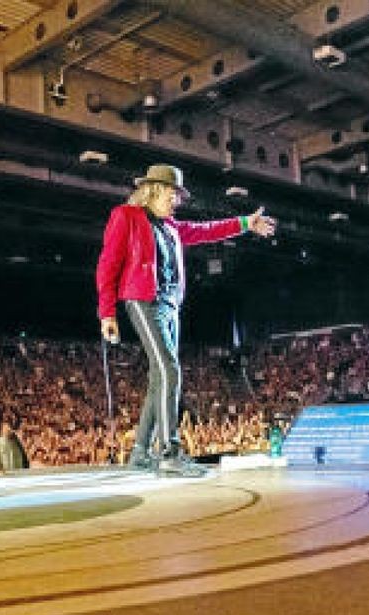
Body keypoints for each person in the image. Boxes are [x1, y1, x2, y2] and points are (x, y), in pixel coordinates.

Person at [96, 164, 275, 476]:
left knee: (159, 377)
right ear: (152, 190)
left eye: (177, 194)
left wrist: (246, 222)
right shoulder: (125, 216)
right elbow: (108, 264)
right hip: (141, 299)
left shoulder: (172, 227)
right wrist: (107, 312)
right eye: (171, 193)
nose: (176, 200)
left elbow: (208, 231)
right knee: (169, 370)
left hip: (169, 305)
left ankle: (140, 451)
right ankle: (169, 453)